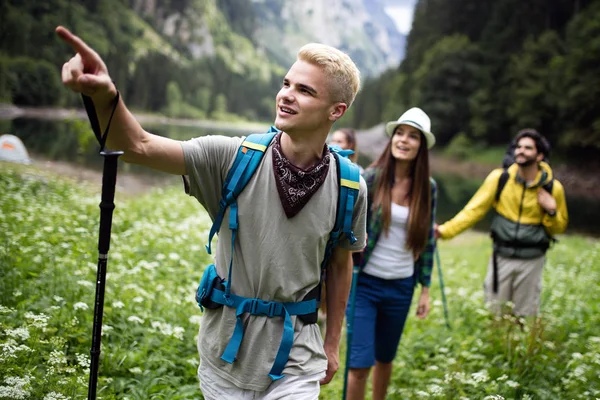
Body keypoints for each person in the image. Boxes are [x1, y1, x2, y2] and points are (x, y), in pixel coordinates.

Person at [56, 25, 368, 399]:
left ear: (337, 110)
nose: (286, 95)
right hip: (225, 354)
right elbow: (138, 144)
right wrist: (107, 95)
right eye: (286, 83)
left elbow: (339, 263)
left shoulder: (350, 186)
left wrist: (332, 343)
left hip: (297, 358)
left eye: (304, 90)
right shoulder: (233, 157)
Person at [346, 107, 437, 400]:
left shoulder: (428, 189)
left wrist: (425, 289)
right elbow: (346, 226)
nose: (404, 140)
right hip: (365, 284)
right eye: (400, 133)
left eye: (413, 136)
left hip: (401, 286)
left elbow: (427, 242)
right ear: (392, 138)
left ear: (421, 146)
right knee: (359, 365)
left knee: (385, 360)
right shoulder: (371, 179)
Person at [435, 129, 568, 317]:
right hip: (501, 257)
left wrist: (551, 210)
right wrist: (444, 231)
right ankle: (497, 345)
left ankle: (520, 346)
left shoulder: (553, 188)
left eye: (527, 148)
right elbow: (474, 210)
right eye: (518, 147)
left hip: (532, 260)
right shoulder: (500, 179)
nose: (520, 151)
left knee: (525, 314)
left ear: (539, 156)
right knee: (495, 310)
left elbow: (558, 228)